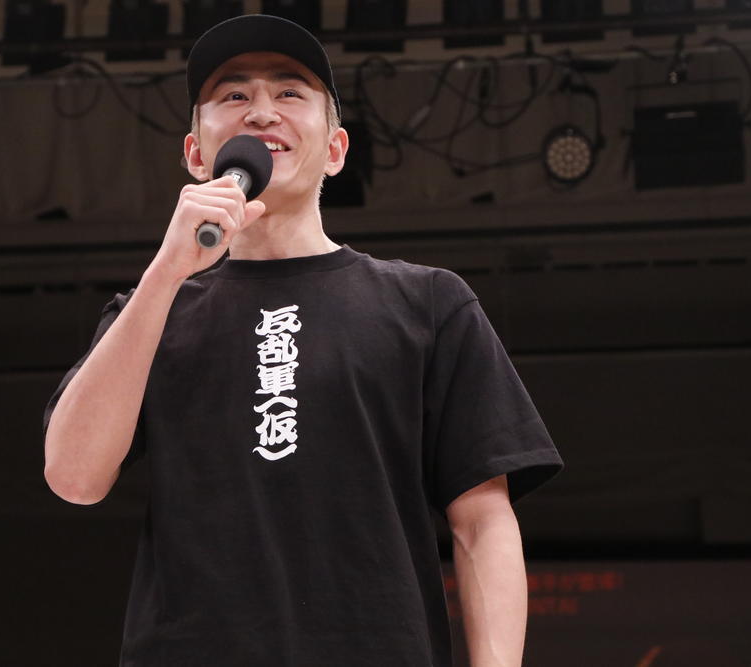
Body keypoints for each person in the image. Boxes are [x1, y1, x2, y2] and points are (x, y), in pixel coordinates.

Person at [43, 14, 563, 667]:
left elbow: (482, 521)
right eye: (234, 94)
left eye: (290, 92)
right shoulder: (151, 312)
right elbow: (74, 477)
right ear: (196, 154)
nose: (262, 111)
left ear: (337, 149)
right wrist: (167, 271)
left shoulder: (428, 303)